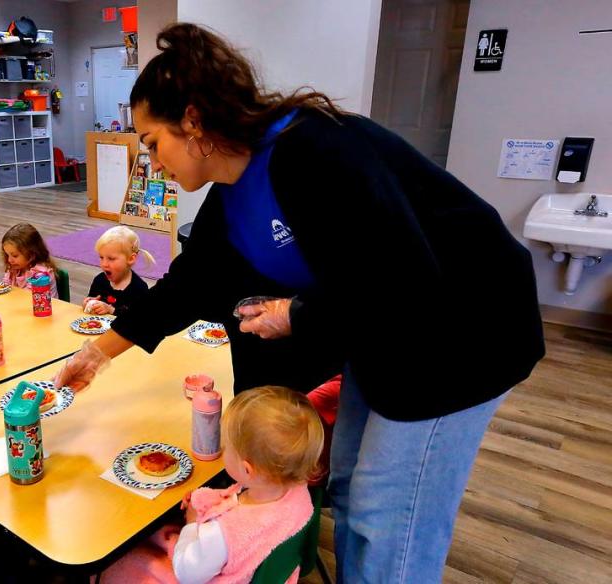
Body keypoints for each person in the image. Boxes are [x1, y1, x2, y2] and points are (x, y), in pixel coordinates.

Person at [54, 23, 545, 583]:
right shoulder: (229, 197)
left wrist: (296, 315)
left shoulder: (316, 149)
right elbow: (186, 286)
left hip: (462, 332)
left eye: (152, 143)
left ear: (192, 121)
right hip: (386, 330)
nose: (153, 162)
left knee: (390, 515)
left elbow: (405, 280)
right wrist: (99, 352)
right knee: (353, 488)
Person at [100, 386, 323, 584]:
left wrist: (191, 522)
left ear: (247, 470)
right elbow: (240, 501)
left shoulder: (226, 534)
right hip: (267, 572)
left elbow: (186, 573)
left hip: (199, 571)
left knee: (123, 561)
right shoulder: (295, 488)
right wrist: (208, 500)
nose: (223, 450)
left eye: (226, 447)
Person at [83, 225, 152, 316]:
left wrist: (111, 310)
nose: (104, 264)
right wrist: (88, 303)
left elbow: (139, 318)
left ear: (131, 259)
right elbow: (92, 300)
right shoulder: (99, 280)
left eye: (111, 259)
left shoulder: (139, 288)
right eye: (101, 257)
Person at [1, 222, 58, 298]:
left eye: (15, 255)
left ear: (32, 254)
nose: (9, 260)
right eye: (7, 255)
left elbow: (27, 298)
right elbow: (5, 287)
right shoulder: (16, 268)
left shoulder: (41, 274)